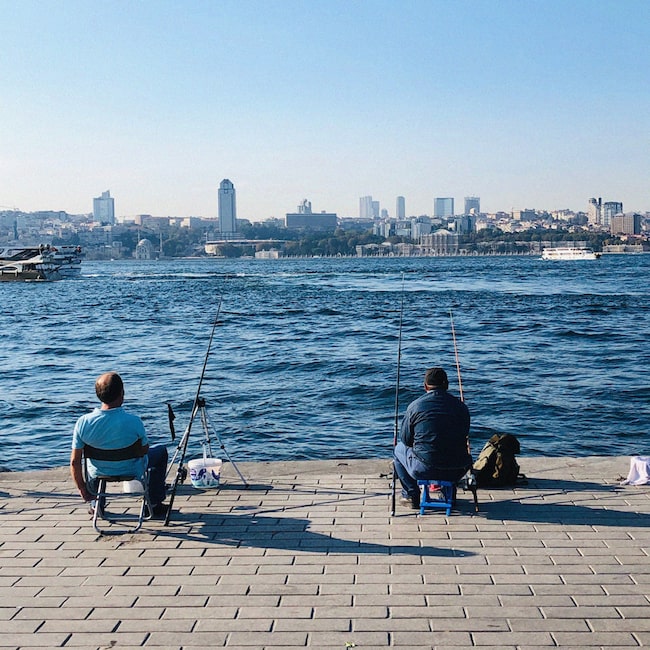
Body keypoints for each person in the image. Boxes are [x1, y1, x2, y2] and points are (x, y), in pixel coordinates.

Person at [70, 371, 168, 517]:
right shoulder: (134, 421)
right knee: (161, 452)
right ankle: (153, 503)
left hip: (98, 472)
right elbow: (144, 449)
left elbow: (74, 462)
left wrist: (82, 488)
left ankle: (96, 504)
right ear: (122, 393)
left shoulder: (83, 423)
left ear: (98, 395)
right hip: (133, 470)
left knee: (91, 464)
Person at [393, 366, 472, 509]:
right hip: (458, 467)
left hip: (424, 468)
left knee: (399, 449)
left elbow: (405, 439)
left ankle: (411, 495)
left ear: (425, 386)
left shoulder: (415, 406)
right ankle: (449, 493)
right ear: (447, 385)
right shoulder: (461, 407)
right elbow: (464, 434)